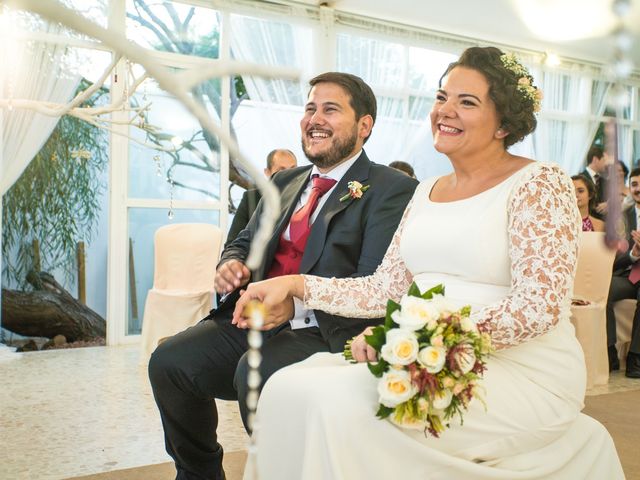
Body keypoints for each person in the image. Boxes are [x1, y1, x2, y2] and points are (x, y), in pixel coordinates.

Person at [234, 47, 623, 479]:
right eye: (442, 97)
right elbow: (385, 289)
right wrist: (296, 285)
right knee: (287, 387)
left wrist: (421, 339)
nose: (445, 111)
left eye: (467, 102)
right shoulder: (428, 189)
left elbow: (538, 308)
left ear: (505, 123)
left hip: (519, 370)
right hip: (423, 352)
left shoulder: (539, 183)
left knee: (336, 407)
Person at [148, 71, 418, 480]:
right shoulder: (284, 181)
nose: (314, 118)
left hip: (322, 328)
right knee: (168, 363)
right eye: (310, 108)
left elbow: (376, 279)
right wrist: (230, 265)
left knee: (257, 376)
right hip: (251, 319)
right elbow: (243, 241)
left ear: (364, 126)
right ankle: (200, 474)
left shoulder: (391, 188)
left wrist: (295, 303)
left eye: (330, 109)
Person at [606, 166, 640, 378]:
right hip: (629, 274)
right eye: (634, 184)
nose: (638, 189)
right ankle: (609, 354)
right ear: (629, 188)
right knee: (604, 289)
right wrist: (634, 254)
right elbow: (612, 261)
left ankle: (635, 358)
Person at [225, 149, 297, 246]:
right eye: (282, 170)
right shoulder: (251, 198)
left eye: (293, 169)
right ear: (267, 172)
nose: (290, 175)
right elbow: (232, 242)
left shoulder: (307, 197)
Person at [581, 145, 609, 217]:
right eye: (604, 160)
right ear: (595, 159)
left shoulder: (605, 181)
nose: (606, 164)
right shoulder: (580, 179)